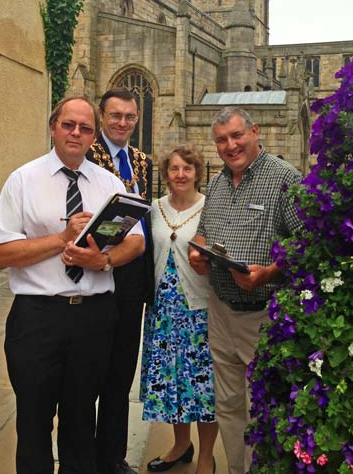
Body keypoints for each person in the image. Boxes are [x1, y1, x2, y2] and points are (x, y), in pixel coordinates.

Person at [0, 97, 145, 474]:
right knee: (34, 421)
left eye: (86, 128)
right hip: (37, 318)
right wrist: (62, 238)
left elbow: (136, 241)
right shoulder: (23, 180)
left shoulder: (108, 183)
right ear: (53, 126)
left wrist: (103, 260)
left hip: (93, 319)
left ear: (93, 135)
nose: (76, 133)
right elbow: (0, 254)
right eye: (69, 125)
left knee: (80, 423)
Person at [189, 107, 302, 474]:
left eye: (237, 136)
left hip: (262, 316)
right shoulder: (218, 184)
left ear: (254, 131)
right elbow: (204, 232)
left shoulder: (285, 178)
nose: (230, 145)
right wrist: (198, 252)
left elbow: (307, 244)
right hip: (221, 311)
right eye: (222, 139)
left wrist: (269, 273)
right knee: (228, 405)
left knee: (264, 406)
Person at [86, 87, 153, 474]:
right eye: (115, 116)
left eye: (129, 117)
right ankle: (84, 456)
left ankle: (112, 456)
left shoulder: (141, 161)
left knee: (121, 374)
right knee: (90, 371)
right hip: (100, 270)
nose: (122, 123)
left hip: (133, 278)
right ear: (102, 116)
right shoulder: (89, 156)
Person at [141, 145, 218, 474]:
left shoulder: (210, 208)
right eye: (174, 169)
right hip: (163, 310)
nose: (180, 175)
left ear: (198, 173)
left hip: (198, 311)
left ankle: (205, 456)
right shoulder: (154, 209)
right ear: (166, 173)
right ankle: (180, 446)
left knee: (202, 387)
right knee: (171, 383)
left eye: (187, 169)